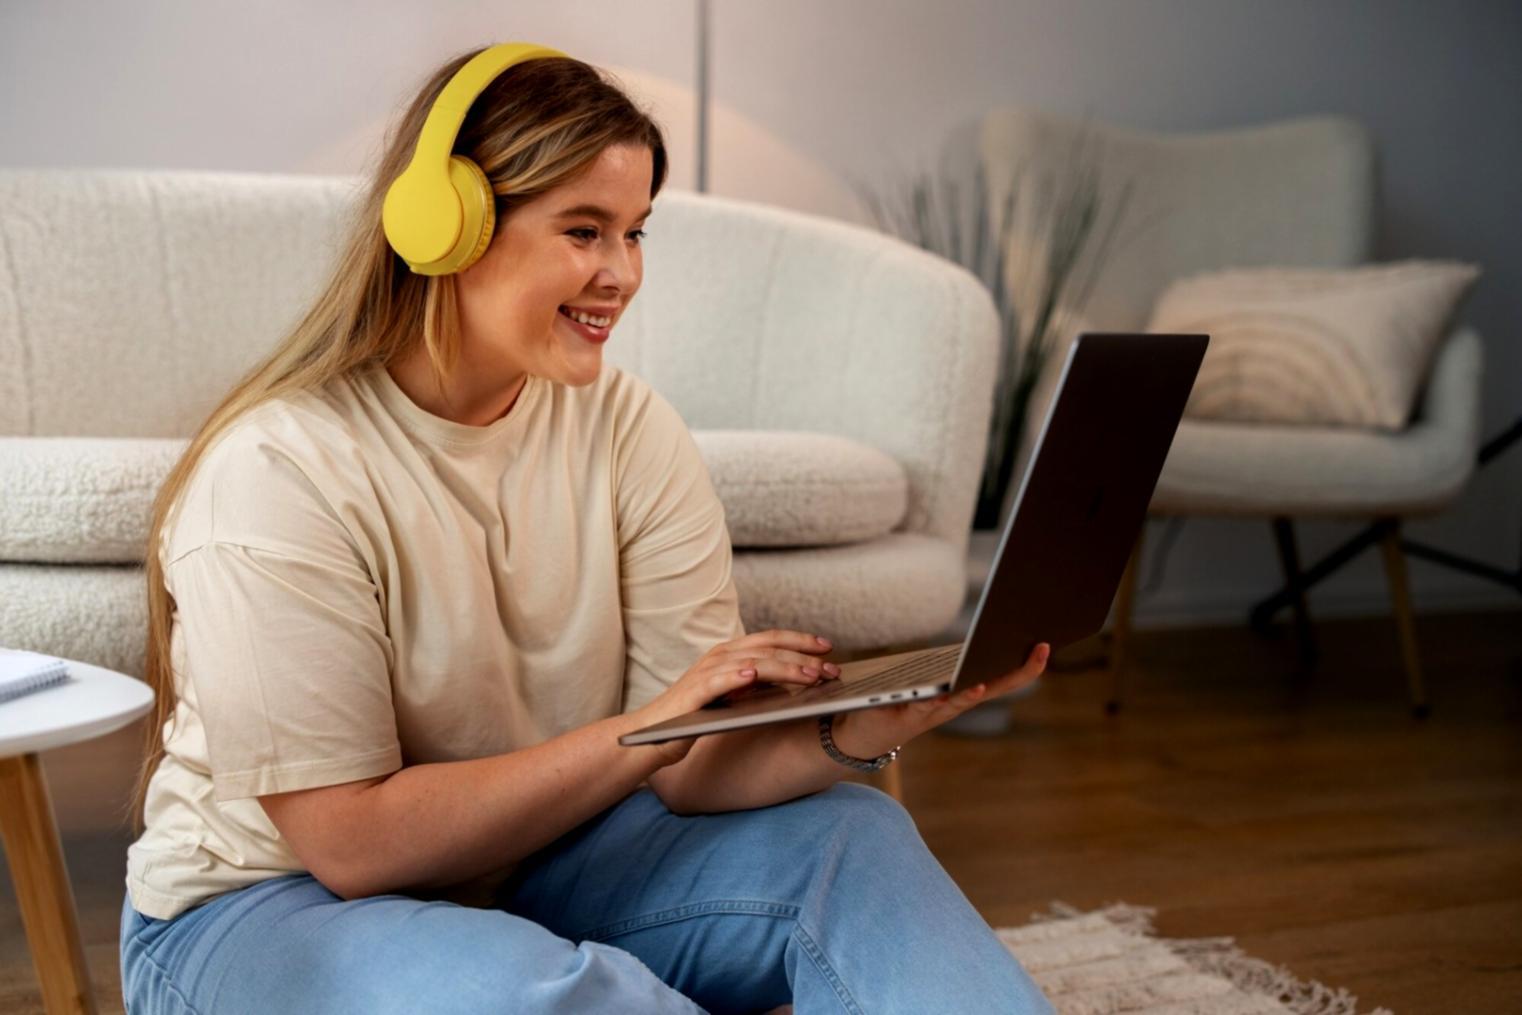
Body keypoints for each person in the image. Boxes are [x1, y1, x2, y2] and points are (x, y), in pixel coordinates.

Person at [117, 43, 1054, 1015]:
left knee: (849, 842)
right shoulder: (281, 472)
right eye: (583, 230)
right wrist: (639, 736)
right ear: (447, 226)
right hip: (271, 910)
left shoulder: (628, 426)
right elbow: (353, 845)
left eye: (636, 233)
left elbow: (687, 764)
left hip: (541, 865)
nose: (620, 274)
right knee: (555, 996)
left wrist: (863, 726)